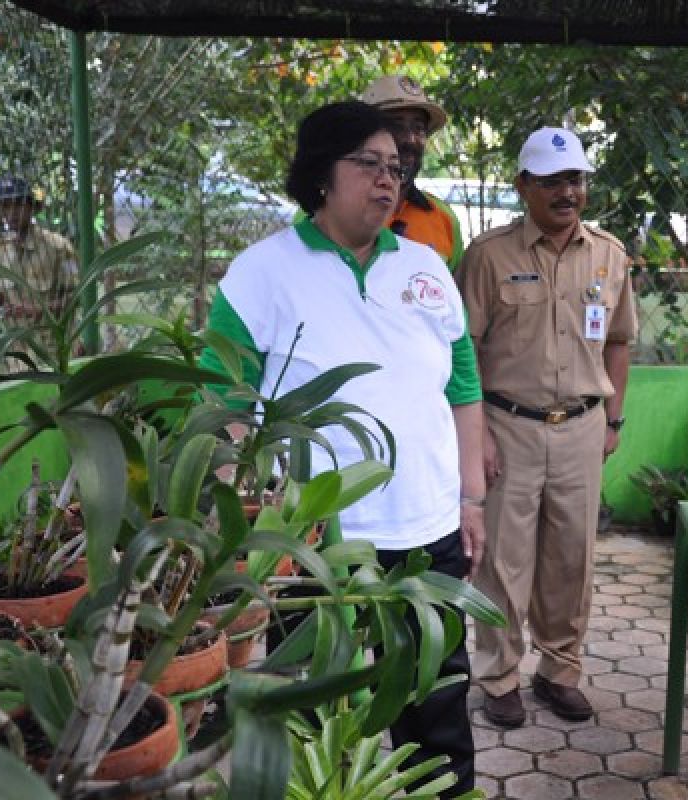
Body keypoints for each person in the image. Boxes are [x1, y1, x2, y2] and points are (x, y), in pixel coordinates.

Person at [198, 101, 485, 797]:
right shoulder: (262, 271)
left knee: (437, 706)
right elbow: (225, 403)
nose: (389, 180)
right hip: (313, 540)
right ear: (321, 173)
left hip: (426, 532)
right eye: (369, 164)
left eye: (396, 167)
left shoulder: (426, 267)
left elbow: (465, 383)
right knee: (314, 706)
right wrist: (245, 518)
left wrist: (472, 497)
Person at [458, 127, 638, 728]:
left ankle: (560, 670)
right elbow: (467, 352)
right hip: (507, 425)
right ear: (524, 187)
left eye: (576, 180)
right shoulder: (489, 256)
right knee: (502, 560)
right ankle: (499, 675)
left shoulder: (610, 255)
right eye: (553, 181)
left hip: (583, 427)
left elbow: (618, 342)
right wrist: (476, 432)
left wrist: (613, 421)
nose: (568, 192)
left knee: (571, 559)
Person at [361, 74, 464, 269]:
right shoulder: (330, 210)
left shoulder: (443, 218)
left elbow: (452, 298)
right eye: (395, 126)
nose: (410, 139)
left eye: (419, 128)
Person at [0, 176, 78, 325]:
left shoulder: (59, 246)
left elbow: (77, 297)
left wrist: (37, 310)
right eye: (5, 207)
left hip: (51, 342)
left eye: (17, 205)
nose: (11, 213)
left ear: (31, 207)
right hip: (14, 342)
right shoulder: (2, 249)